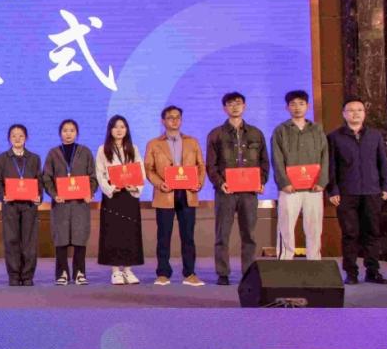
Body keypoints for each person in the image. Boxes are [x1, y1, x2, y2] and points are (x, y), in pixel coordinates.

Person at [327, 98, 387, 284]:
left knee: (372, 232)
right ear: (344, 114)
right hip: (346, 193)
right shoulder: (334, 137)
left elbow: (383, 163)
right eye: (351, 110)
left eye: (359, 110)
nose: (355, 113)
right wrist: (332, 190)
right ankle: (351, 273)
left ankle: (373, 271)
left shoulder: (375, 135)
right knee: (350, 234)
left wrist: (385, 187)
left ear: (364, 113)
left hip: (372, 192)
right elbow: (331, 167)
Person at [206, 92, 268, 285]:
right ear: (224, 108)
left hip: (249, 193)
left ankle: (248, 273)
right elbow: (211, 165)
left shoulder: (256, 133)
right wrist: (220, 183)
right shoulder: (216, 134)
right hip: (226, 191)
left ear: (244, 106)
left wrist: (261, 181)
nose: (234, 107)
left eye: (238, 103)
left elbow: (264, 161)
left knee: (249, 235)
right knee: (222, 234)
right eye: (230, 104)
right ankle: (223, 273)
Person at [145, 106, 206, 286]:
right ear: (163, 121)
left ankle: (190, 273)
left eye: (177, 117)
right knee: (163, 236)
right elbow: (149, 169)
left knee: (188, 236)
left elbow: (201, 166)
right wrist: (159, 183)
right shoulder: (154, 143)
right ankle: (163, 273)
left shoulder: (192, 142)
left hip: (187, 193)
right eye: (170, 117)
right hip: (165, 193)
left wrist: (199, 183)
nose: (174, 120)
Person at [271, 90, 329, 261]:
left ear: (307, 106)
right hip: (289, 188)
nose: (297, 107)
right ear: (287, 107)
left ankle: (314, 260)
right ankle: (285, 260)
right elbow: (277, 158)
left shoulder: (317, 129)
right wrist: (284, 182)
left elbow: (325, 156)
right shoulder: (281, 130)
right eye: (293, 104)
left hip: (314, 187)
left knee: (314, 226)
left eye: (301, 104)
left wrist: (322, 181)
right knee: (286, 225)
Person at [42, 119, 97, 285]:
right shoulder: (53, 153)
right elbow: (46, 178)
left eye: (72, 130)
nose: (68, 134)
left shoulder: (85, 152)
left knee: (80, 238)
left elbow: (93, 177)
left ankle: (80, 273)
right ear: (60, 133)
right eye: (65, 130)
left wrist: (89, 193)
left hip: (80, 204)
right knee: (61, 239)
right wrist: (54, 195)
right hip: (61, 204)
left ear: (77, 133)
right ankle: (62, 273)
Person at [95, 115, 145, 285]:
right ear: (110, 130)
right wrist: (110, 188)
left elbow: (140, 171)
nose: (119, 130)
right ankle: (116, 271)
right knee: (113, 233)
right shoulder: (103, 149)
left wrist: (135, 187)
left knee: (130, 233)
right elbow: (100, 174)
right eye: (115, 127)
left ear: (127, 130)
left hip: (129, 196)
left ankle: (128, 270)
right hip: (113, 196)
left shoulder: (133, 149)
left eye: (122, 127)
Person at [0, 124, 43, 286]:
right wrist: (3, 196)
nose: (17, 139)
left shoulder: (34, 158)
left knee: (29, 241)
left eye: (21, 135)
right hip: (10, 205)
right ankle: (14, 275)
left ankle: (27, 276)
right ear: (9, 138)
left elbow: (39, 180)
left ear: (26, 138)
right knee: (11, 240)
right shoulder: (2, 159)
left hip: (29, 205)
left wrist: (39, 197)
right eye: (13, 135)